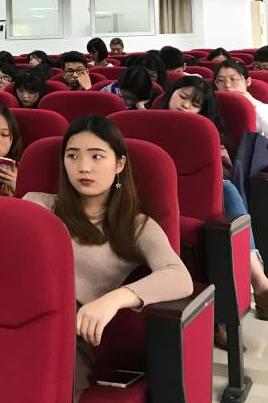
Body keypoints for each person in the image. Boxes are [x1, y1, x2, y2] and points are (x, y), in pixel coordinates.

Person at [23, 117, 192, 401]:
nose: (83, 167)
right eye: (72, 156)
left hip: (67, 334)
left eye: (97, 156)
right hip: (13, 316)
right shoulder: (37, 205)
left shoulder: (135, 226)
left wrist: (113, 299)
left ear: (119, 164)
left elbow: (178, 276)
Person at [157, 77, 268, 324]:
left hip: (197, 198)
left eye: (195, 104)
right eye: (182, 97)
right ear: (170, 94)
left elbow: (223, 174)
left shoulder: (206, 133)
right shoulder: (144, 123)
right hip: (153, 196)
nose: (185, 106)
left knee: (226, 188)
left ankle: (259, 282)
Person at [215, 59, 268, 134]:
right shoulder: (212, 105)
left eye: (233, 79)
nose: (227, 85)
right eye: (220, 80)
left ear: (248, 81)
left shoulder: (263, 110)